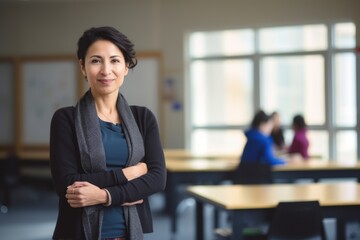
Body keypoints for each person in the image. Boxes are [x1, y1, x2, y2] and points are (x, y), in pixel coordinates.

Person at [50, 26, 166, 240]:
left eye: (114, 60)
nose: (106, 70)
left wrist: (104, 195)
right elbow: (67, 184)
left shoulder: (143, 118)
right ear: (83, 67)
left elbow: (157, 179)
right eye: (96, 60)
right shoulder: (65, 119)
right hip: (78, 233)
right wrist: (128, 175)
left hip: (129, 233)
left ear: (126, 67)